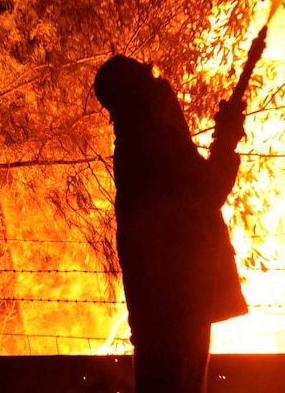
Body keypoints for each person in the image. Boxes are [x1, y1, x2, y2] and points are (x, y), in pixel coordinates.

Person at [94, 55, 248, 393]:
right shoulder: (152, 141)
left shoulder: (140, 143)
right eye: (149, 79)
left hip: (167, 306)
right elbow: (206, 192)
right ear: (137, 96)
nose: (162, 85)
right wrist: (226, 140)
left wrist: (224, 139)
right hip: (179, 303)